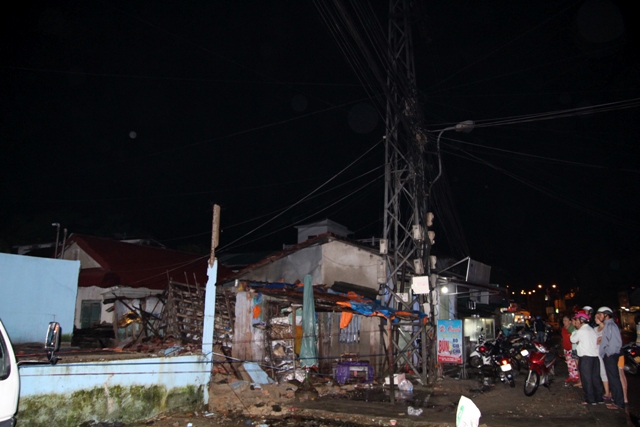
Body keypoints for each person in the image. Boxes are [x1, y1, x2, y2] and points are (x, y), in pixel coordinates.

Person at [570, 310, 605, 405]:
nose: (576, 322)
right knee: (595, 378)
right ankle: (599, 398)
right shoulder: (591, 329)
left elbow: (573, 339)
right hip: (595, 358)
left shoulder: (581, 330)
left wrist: (575, 330)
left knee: (587, 379)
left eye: (577, 320)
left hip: (586, 358)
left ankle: (590, 399)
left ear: (581, 320)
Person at [596, 306, 625, 410]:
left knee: (614, 379)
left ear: (606, 315)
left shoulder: (611, 325)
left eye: (600, 314)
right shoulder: (608, 325)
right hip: (608, 355)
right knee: (612, 379)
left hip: (611, 356)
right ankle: (616, 401)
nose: (599, 317)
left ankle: (619, 403)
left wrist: (608, 353)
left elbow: (616, 342)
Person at [594, 311, 611, 400]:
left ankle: (608, 392)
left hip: (604, 353)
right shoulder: (595, 329)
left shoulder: (607, 328)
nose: (596, 319)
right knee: (600, 372)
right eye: (595, 318)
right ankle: (605, 391)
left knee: (605, 372)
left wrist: (603, 340)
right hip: (596, 352)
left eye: (598, 317)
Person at [561, 314, 579, 383]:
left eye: (566, 320)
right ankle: (571, 375)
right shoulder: (563, 329)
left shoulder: (572, 329)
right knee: (569, 363)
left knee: (574, 363)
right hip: (566, 348)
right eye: (563, 320)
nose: (564, 322)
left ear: (570, 321)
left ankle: (576, 376)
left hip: (572, 348)